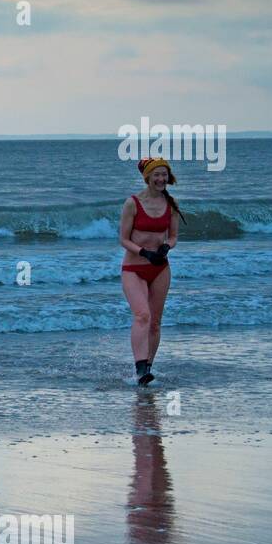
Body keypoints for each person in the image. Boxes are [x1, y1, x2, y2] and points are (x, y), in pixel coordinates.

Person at [119, 157, 184, 385]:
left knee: (155, 322)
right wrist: (144, 252)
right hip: (134, 268)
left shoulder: (172, 203)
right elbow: (123, 239)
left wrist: (167, 246)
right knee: (142, 315)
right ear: (147, 177)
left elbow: (173, 235)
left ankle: (147, 370)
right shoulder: (132, 203)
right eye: (156, 174)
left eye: (164, 174)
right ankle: (139, 369)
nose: (161, 179)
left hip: (160, 269)